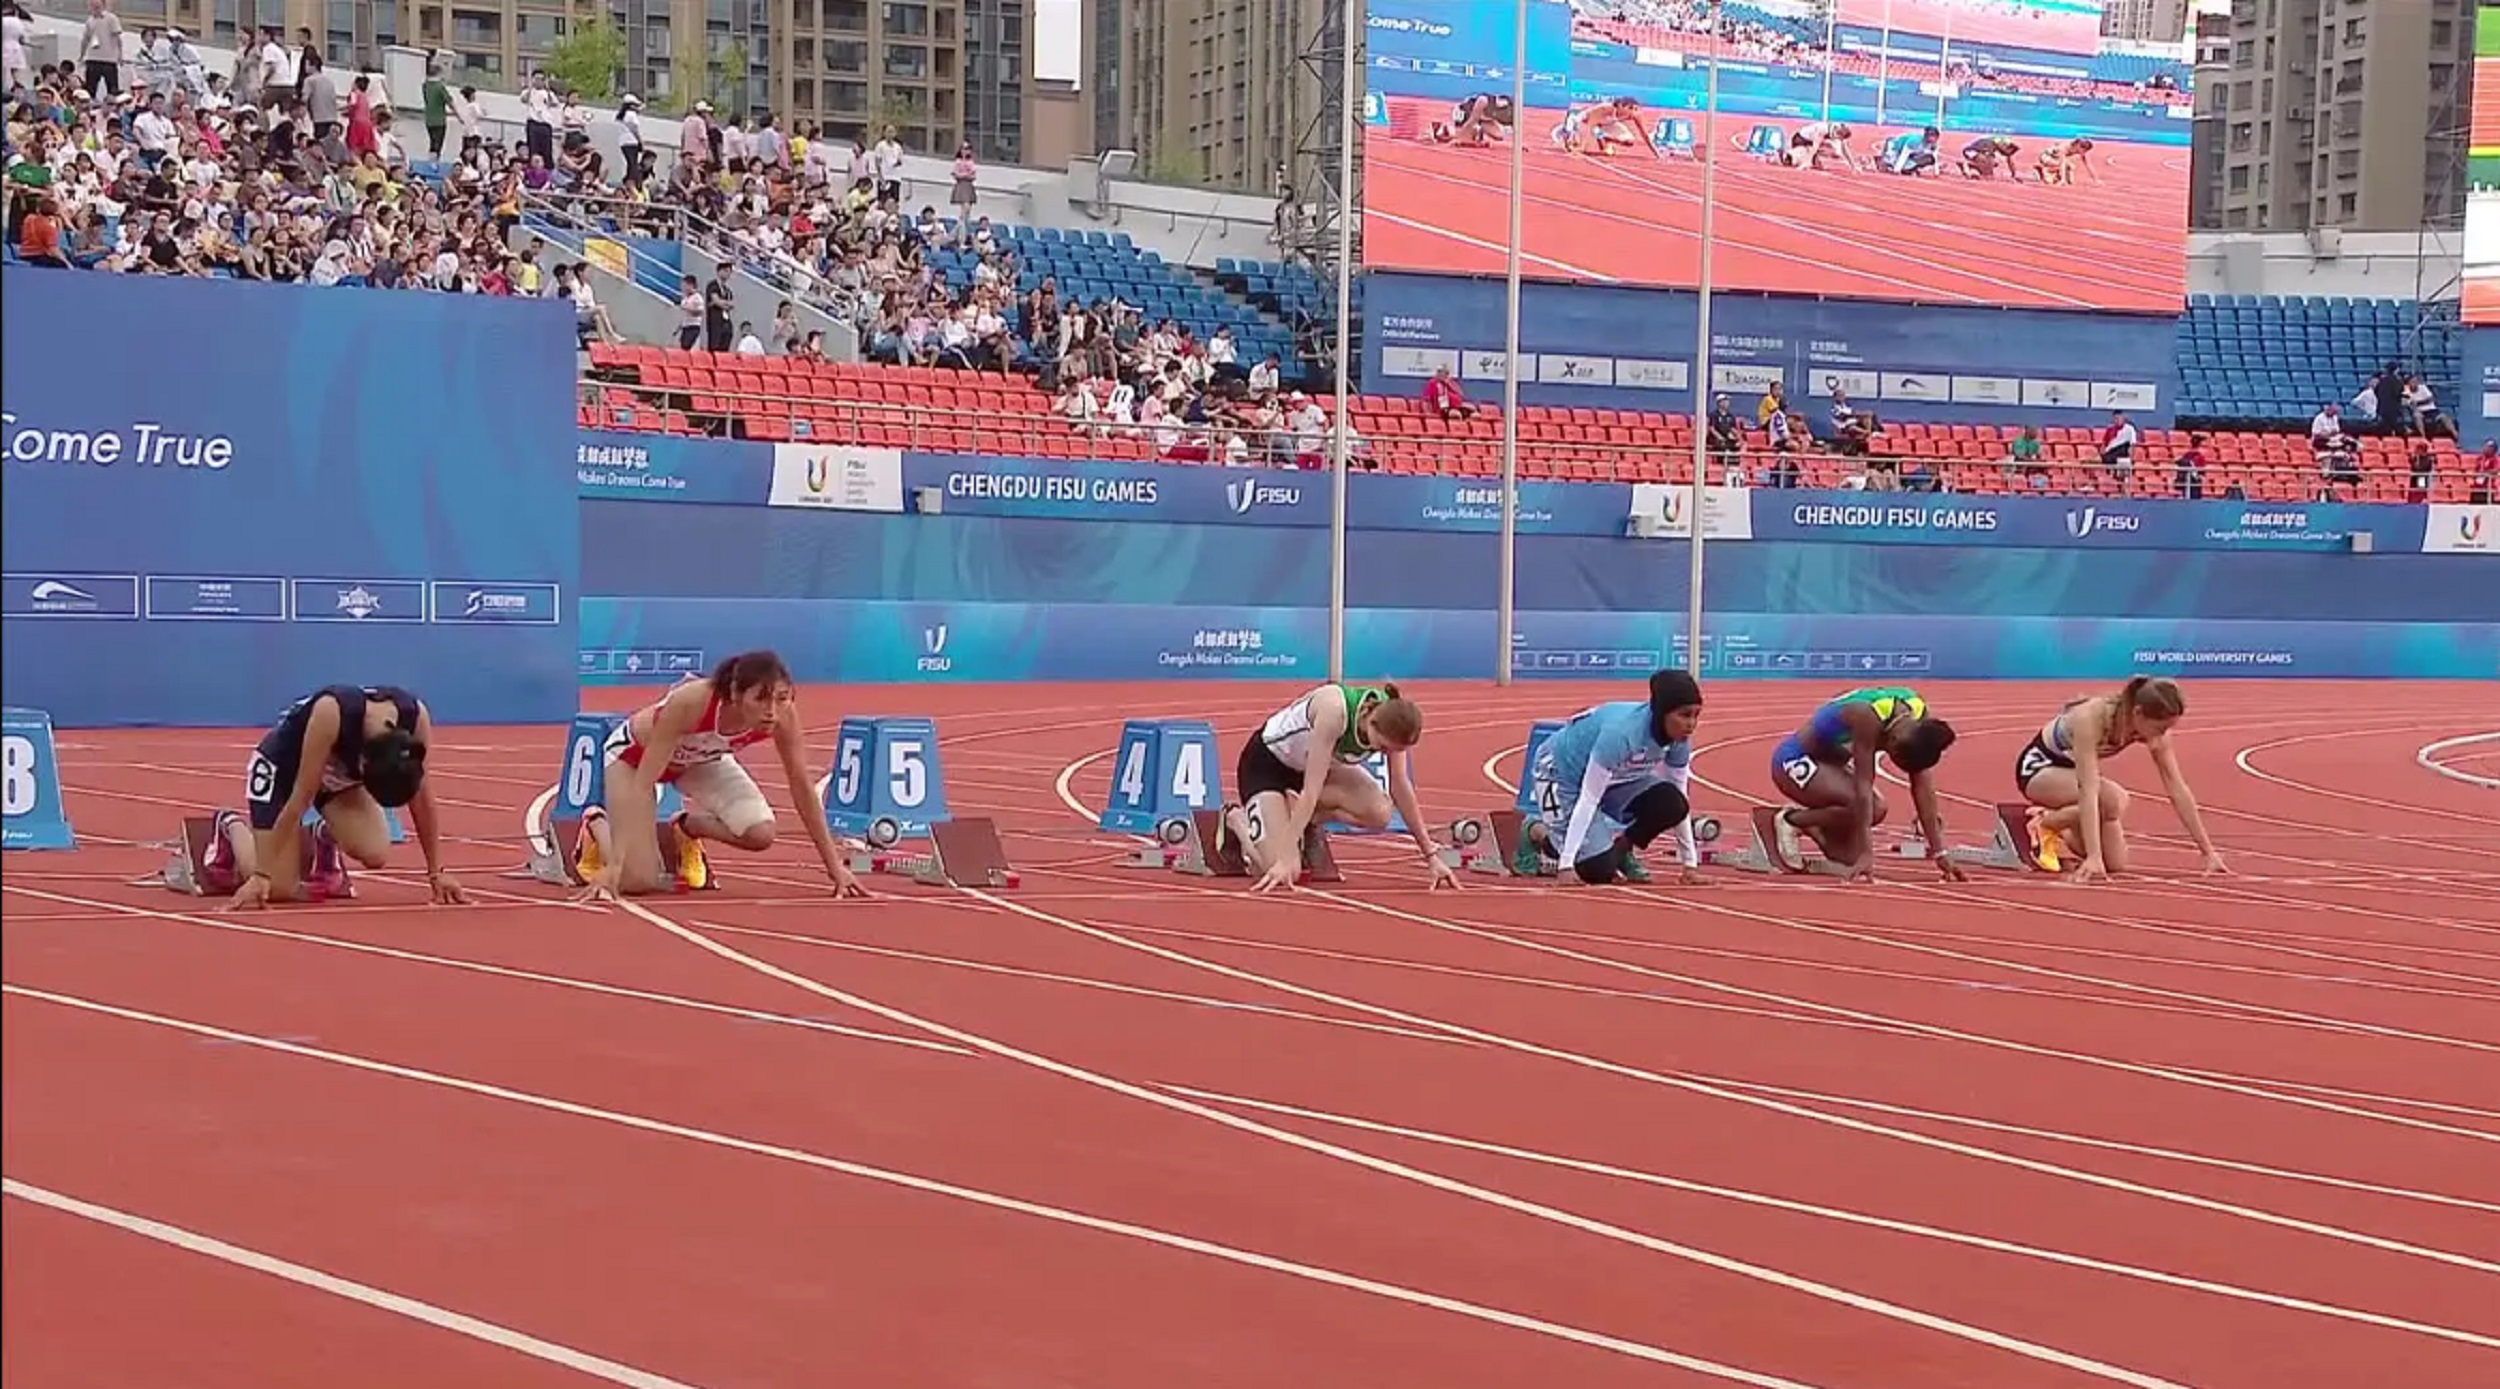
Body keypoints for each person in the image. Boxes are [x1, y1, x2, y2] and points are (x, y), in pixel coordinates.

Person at [575, 650, 867, 900]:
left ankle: (686, 829)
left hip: (700, 760)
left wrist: (834, 867)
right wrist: (614, 864)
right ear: (735, 695)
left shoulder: (783, 717)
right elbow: (643, 787)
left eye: (781, 698)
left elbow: (801, 786)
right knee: (636, 882)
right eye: (761, 699)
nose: (771, 712)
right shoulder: (691, 702)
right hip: (635, 760)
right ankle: (596, 826)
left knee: (760, 834)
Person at [218, 685, 463, 910]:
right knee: (279, 886)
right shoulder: (331, 713)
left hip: (334, 778)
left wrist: (436, 871)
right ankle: (229, 826)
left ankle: (321, 834)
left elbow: (422, 795)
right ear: (363, 764)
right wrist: (262, 874)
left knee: (375, 853)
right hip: (284, 770)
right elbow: (301, 797)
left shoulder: (416, 717)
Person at [1225, 680, 1454, 893]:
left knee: (1380, 812)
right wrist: (1283, 859)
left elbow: (1400, 787)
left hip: (1310, 771)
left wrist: (1431, 855)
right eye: (1382, 748)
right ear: (1369, 721)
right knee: (1284, 870)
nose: (1384, 754)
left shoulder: (1392, 720)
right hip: (1266, 767)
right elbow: (1310, 791)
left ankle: (1302, 821)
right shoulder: (1334, 712)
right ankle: (1236, 819)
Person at [2016, 676, 2227, 882]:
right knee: (2113, 799)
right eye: (2160, 728)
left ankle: (2058, 825)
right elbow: (2088, 788)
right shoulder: (2090, 718)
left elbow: (2177, 787)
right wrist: (2093, 857)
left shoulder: (2151, 730)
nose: (2163, 735)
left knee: (2115, 863)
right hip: (2038, 771)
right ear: (2138, 714)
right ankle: (2045, 823)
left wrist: (2207, 851)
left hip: (2070, 773)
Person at [1516, 670, 1708, 886]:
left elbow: (1681, 797)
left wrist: (1689, 865)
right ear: (1662, 712)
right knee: (1597, 870)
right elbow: (1589, 798)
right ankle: (1536, 832)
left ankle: (1622, 850)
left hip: (1617, 778)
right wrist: (1566, 866)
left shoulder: (1679, 739)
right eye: (1684, 715)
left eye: (1696, 715)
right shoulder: (1621, 734)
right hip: (1562, 773)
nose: (1691, 724)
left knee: (1673, 804)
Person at [1768, 687, 1965, 882]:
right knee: (1868, 808)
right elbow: (1862, 787)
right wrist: (1867, 854)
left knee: (1852, 851)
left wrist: (1940, 852)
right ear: (1893, 743)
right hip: (1794, 760)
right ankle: (1790, 820)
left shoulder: (1918, 714)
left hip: (1829, 764)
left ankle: (1814, 824)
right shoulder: (1867, 716)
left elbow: (1923, 788)